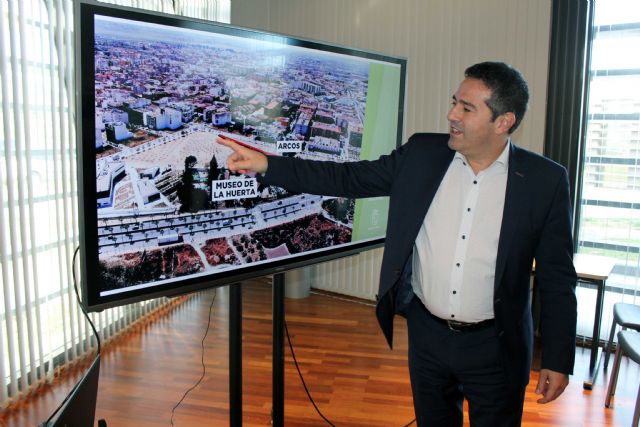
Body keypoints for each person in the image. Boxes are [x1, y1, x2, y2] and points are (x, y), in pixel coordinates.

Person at [217, 61, 577, 427]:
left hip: (496, 345)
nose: (452, 114)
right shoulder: (422, 155)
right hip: (428, 338)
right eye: (454, 102)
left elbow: (557, 278)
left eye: (467, 108)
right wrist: (268, 165)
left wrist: (558, 358)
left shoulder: (544, 181)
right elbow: (348, 178)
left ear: (503, 122)